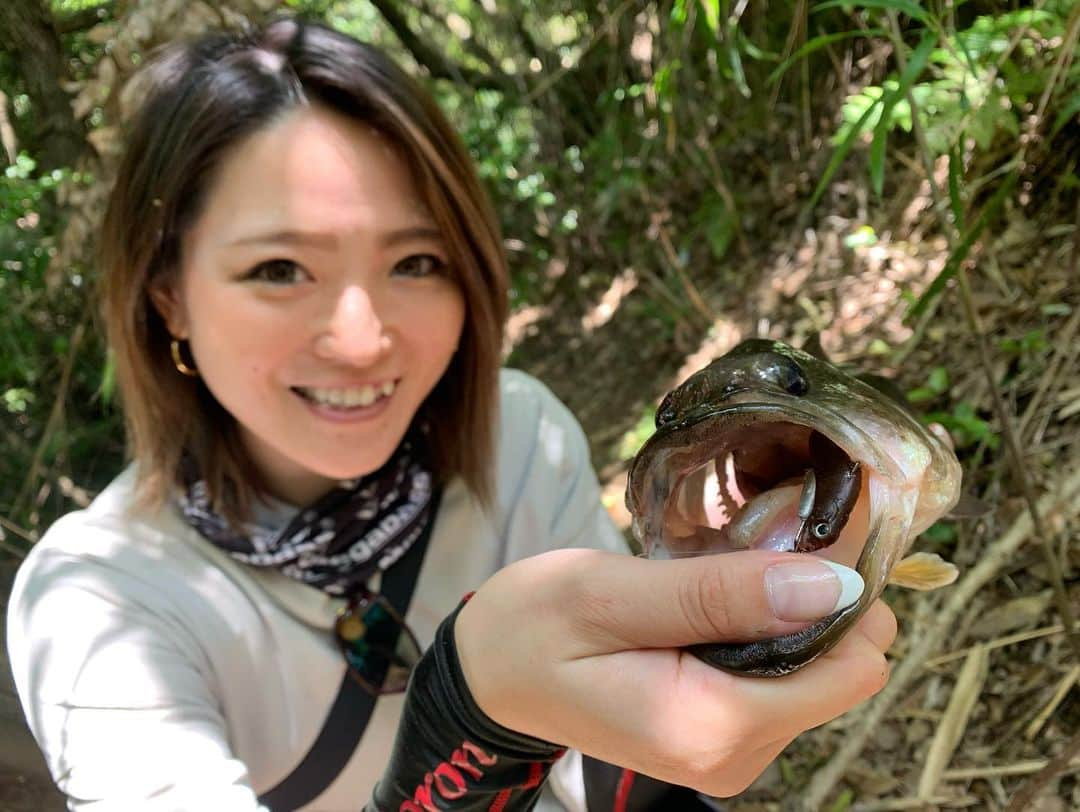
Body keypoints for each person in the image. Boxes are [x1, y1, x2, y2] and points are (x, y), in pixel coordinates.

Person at [6, 16, 896, 812]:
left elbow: (603, 773)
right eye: (278, 270)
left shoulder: (518, 440)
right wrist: (465, 729)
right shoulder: (100, 602)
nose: (360, 340)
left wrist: (694, 687)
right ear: (168, 297)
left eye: (418, 263)